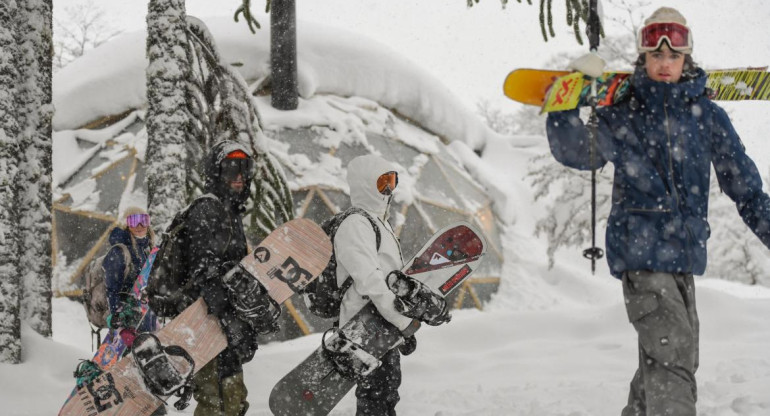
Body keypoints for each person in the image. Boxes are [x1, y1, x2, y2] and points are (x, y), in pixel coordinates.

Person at [545, 7, 770, 416]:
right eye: (655, 56)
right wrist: (567, 101)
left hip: (683, 258)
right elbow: (577, 151)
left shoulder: (708, 119)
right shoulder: (625, 114)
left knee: (670, 360)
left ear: (687, 58)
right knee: (673, 356)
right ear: (643, 58)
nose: (664, 64)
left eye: (673, 56)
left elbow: (747, 189)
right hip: (641, 255)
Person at [150, 141, 272, 416]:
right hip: (205, 323)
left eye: (245, 167)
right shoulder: (209, 210)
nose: (239, 176)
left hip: (218, 325)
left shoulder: (229, 213)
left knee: (232, 399)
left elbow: (230, 274)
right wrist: (230, 321)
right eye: (231, 169)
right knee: (218, 401)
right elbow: (207, 274)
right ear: (216, 173)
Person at [334, 154, 447, 416]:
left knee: (386, 395)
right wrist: (402, 323)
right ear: (364, 184)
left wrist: (400, 329)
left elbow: (390, 279)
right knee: (374, 399)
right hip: (362, 327)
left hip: (382, 326)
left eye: (392, 181)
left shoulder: (380, 225)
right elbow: (370, 282)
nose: (389, 190)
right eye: (382, 182)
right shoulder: (355, 224)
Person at [103, 206, 159, 342]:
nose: (139, 226)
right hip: (127, 319)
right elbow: (111, 288)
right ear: (126, 225)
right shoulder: (119, 252)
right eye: (134, 221)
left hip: (147, 315)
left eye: (143, 221)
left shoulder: (147, 250)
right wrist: (116, 313)